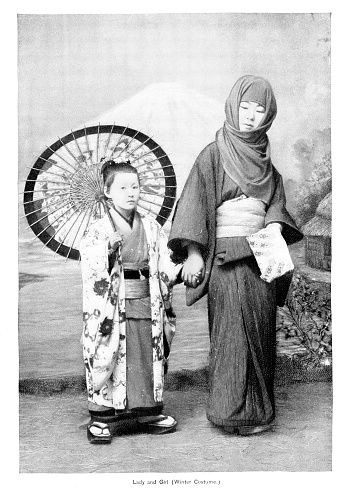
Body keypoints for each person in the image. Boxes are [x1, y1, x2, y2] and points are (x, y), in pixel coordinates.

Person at [168, 75, 303, 436]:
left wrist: (273, 226)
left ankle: (259, 413)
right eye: (244, 107)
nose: (250, 117)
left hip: (259, 257)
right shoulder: (213, 154)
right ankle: (227, 412)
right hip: (225, 258)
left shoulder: (268, 166)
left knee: (260, 333)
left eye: (259, 110)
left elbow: (276, 207)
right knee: (229, 334)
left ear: (269, 116)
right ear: (232, 107)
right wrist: (195, 254)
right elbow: (195, 205)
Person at [80, 160, 181, 444]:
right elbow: (90, 267)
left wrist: (180, 272)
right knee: (109, 354)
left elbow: (164, 260)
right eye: (122, 187)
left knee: (145, 355)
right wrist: (107, 251)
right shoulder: (99, 229)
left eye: (135, 186)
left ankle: (147, 411)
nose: (130, 192)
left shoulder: (149, 225)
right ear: (108, 191)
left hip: (146, 300)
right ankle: (102, 417)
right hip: (113, 306)